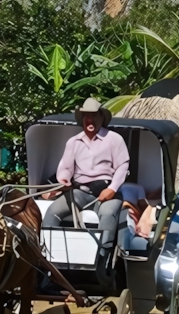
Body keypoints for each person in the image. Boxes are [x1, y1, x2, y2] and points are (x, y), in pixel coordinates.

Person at [43, 98, 130, 260]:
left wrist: (112, 189)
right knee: (52, 211)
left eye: (94, 116)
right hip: (79, 192)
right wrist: (63, 181)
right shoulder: (73, 142)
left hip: (106, 192)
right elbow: (65, 168)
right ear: (82, 119)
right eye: (86, 116)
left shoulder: (114, 139)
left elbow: (122, 167)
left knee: (108, 213)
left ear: (101, 118)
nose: (90, 120)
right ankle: (48, 257)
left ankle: (102, 260)